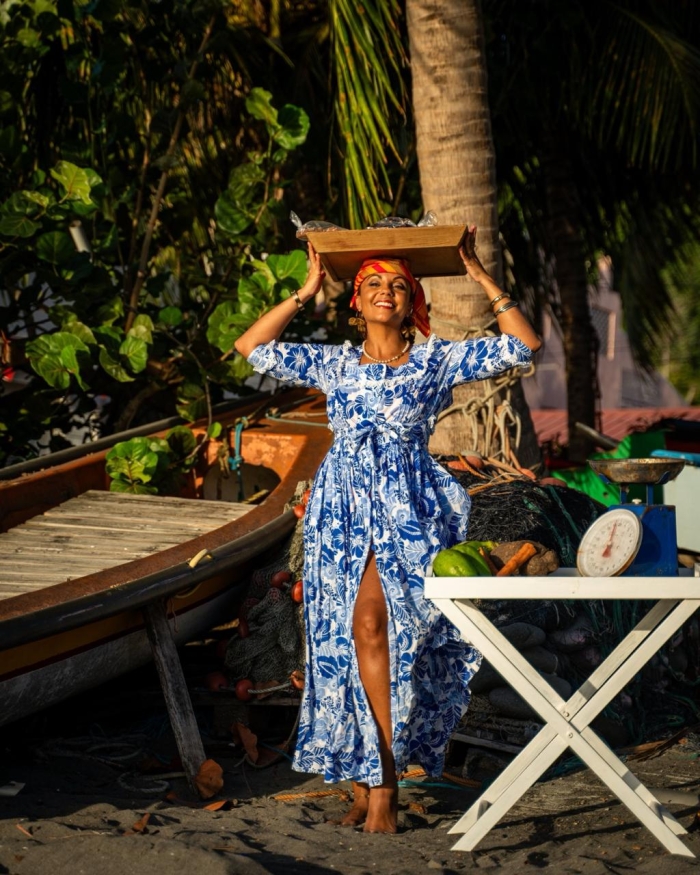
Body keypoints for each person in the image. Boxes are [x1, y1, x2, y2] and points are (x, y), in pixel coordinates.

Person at [234, 227, 541, 833]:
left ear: (413, 302)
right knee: (344, 643)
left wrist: (478, 276)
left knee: (382, 627)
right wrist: (306, 290)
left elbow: (524, 345)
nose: (384, 291)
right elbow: (252, 347)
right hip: (340, 513)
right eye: (373, 282)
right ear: (357, 301)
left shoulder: (435, 359)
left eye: (399, 285)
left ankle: (385, 782)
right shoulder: (334, 362)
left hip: (409, 511)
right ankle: (363, 777)